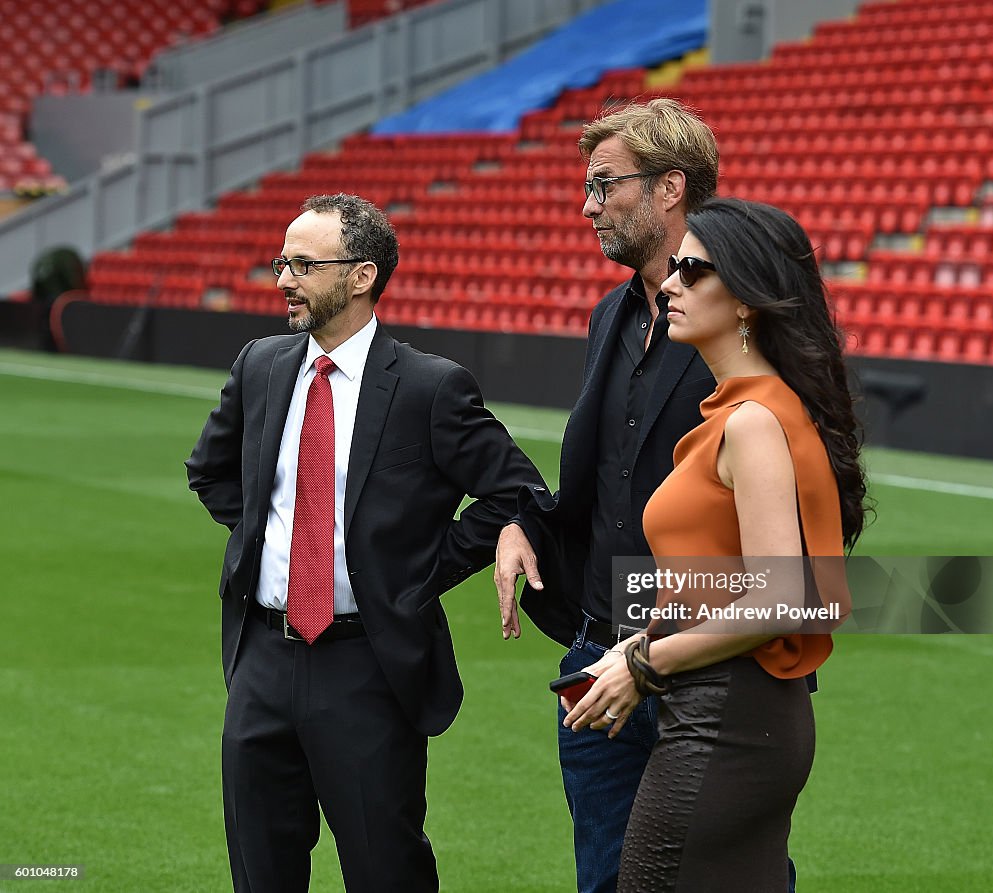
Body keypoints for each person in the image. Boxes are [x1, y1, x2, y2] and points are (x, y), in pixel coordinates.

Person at [185, 192, 544, 893]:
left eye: (303, 264)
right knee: (259, 872)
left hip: (369, 666)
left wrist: (420, 569)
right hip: (261, 657)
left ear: (362, 275)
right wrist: (274, 537)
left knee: (386, 871)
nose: (283, 278)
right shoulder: (260, 363)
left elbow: (518, 489)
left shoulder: (429, 386)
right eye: (281, 261)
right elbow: (210, 469)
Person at [562, 197, 868, 891]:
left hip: (728, 716)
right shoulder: (749, 411)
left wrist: (643, 659)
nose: (669, 283)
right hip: (734, 711)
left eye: (692, 271)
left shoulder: (753, 421)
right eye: (674, 269)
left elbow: (782, 597)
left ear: (748, 300)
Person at [493, 98, 719, 893]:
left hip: (705, 664)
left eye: (604, 185)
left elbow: (803, 549)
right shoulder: (609, 314)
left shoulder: (749, 320)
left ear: (670, 189)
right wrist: (526, 521)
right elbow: (607, 477)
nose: (587, 206)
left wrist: (657, 653)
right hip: (596, 656)